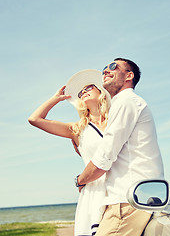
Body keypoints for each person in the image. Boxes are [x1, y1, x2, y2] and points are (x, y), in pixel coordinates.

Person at [76, 58, 164, 236]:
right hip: (132, 198)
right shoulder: (124, 103)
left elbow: (104, 157)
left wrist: (80, 180)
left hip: (127, 201)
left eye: (113, 67)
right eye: (104, 68)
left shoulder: (126, 101)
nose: (106, 71)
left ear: (129, 76)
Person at [28, 69, 111, 236]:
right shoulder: (77, 129)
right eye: (80, 92)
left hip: (119, 188)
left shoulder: (117, 120)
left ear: (101, 91)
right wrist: (55, 99)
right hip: (94, 191)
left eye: (89, 88)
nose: (84, 92)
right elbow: (35, 119)